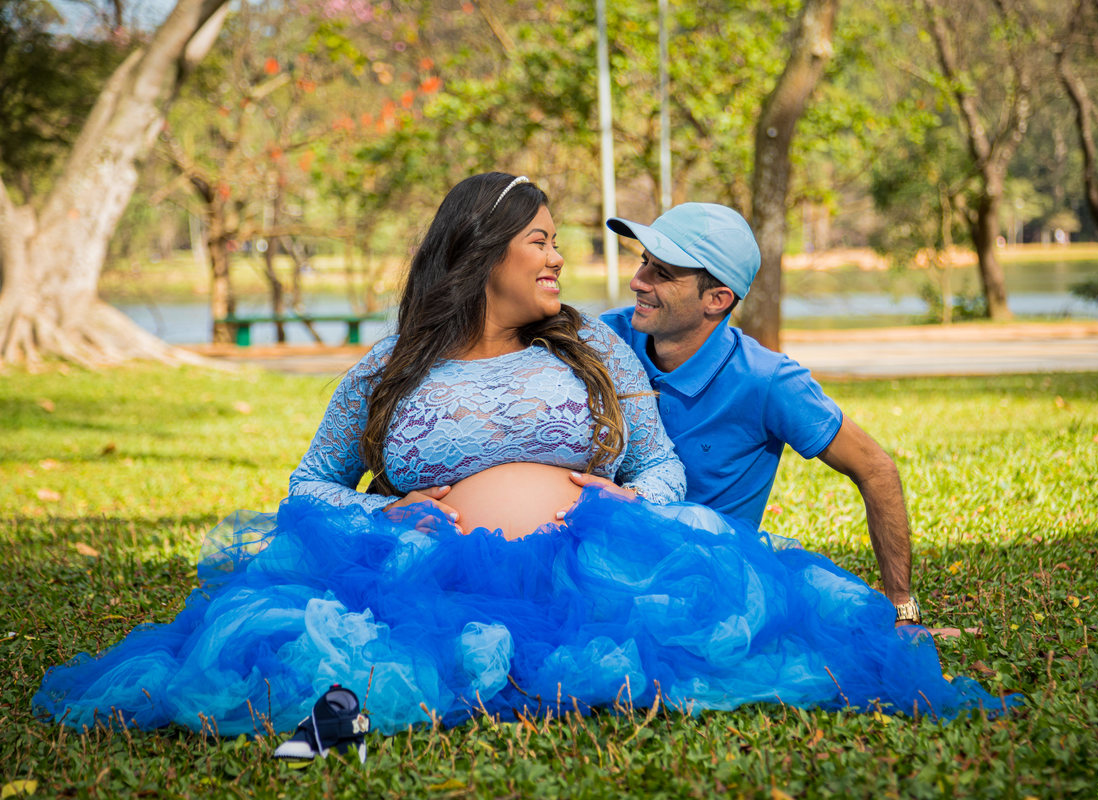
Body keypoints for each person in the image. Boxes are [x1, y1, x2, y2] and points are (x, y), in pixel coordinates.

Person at [33, 174, 1006, 747]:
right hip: (426, 572)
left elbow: (665, 470)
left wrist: (610, 491)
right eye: (540, 243)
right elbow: (307, 486)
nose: (561, 262)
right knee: (338, 664)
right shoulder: (386, 367)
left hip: (589, 569)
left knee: (751, 644)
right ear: (485, 251)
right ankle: (343, 718)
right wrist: (389, 513)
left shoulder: (594, 347)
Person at [594, 203, 921, 626]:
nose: (637, 281)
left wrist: (902, 606)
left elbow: (876, 469)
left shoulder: (768, 380)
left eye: (663, 273)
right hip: (604, 566)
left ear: (717, 299)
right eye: (644, 262)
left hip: (712, 589)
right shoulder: (604, 339)